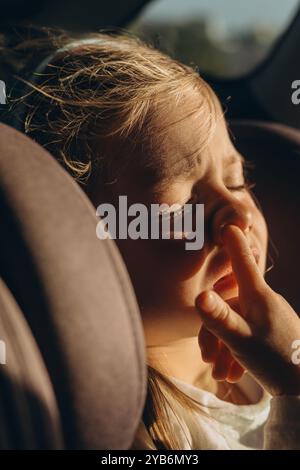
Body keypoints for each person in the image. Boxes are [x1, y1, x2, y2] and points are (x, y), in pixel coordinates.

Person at [1, 27, 300, 449]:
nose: (239, 212)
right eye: (180, 206)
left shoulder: (276, 341)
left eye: (236, 181)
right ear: (82, 251)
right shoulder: (131, 431)